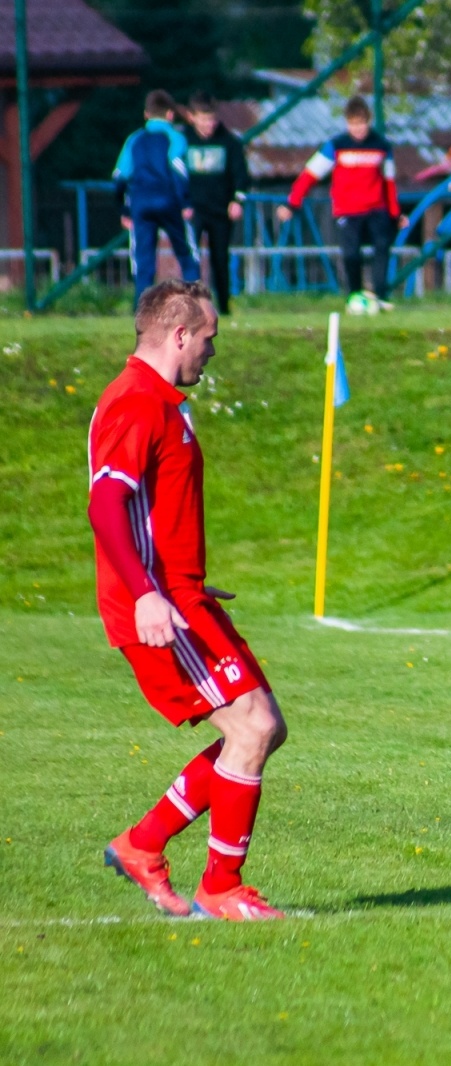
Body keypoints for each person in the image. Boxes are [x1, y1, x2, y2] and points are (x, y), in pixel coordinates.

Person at [90, 280, 288, 921]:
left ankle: (142, 845)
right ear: (179, 335)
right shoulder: (138, 403)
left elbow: (151, 510)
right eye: (209, 338)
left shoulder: (159, 402)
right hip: (159, 612)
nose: (212, 351)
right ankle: (220, 887)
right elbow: (105, 506)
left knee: (263, 730)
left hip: (181, 598)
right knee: (252, 728)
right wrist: (150, 594)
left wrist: (185, 581)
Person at [276, 96, 407, 313]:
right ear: (347, 123)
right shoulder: (336, 146)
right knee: (351, 254)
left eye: (362, 123)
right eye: (353, 124)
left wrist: (396, 213)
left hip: (377, 209)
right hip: (348, 210)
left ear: (369, 121)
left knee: (382, 249)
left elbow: (389, 183)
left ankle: (381, 295)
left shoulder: (382, 147)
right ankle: (354, 296)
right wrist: (292, 203)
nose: (358, 129)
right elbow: (310, 175)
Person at [113, 91, 200, 304]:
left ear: (146, 114)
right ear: (170, 114)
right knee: (185, 253)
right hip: (168, 201)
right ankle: (196, 304)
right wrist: (186, 201)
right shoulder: (175, 137)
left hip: (141, 204)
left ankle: (141, 309)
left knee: (144, 260)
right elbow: (178, 171)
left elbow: (119, 177)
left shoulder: (134, 139)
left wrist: (124, 209)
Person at [182, 93, 250, 316]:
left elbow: (241, 175)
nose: (208, 125)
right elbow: (177, 175)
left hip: (221, 211)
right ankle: (190, 307)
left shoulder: (229, 142)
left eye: (212, 119)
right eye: (203, 119)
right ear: (193, 118)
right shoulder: (183, 142)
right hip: (193, 210)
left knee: (220, 258)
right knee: (191, 258)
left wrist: (237, 200)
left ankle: (224, 306)